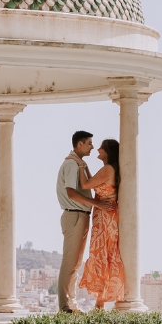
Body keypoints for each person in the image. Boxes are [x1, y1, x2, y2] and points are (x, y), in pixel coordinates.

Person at [79, 138, 125, 308]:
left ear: (107, 151)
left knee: (102, 254)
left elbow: (85, 184)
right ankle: (100, 302)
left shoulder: (107, 169)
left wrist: (78, 164)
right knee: (106, 255)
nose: (98, 149)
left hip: (104, 216)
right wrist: (85, 167)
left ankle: (100, 303)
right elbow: (94, 183)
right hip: (107, 215)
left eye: (101, 148)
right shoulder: (110, 169)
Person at [56, 131, 98, 313]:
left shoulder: (78, 163)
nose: (92, 147)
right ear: (79, 144)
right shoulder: (73, 164)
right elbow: (71, 193)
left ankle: (70, 304)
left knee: (75, 264)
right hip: (75, 215)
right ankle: (65, 306)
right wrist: (96, 203)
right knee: (70, 262)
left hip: (79, 215)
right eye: (89, 143)